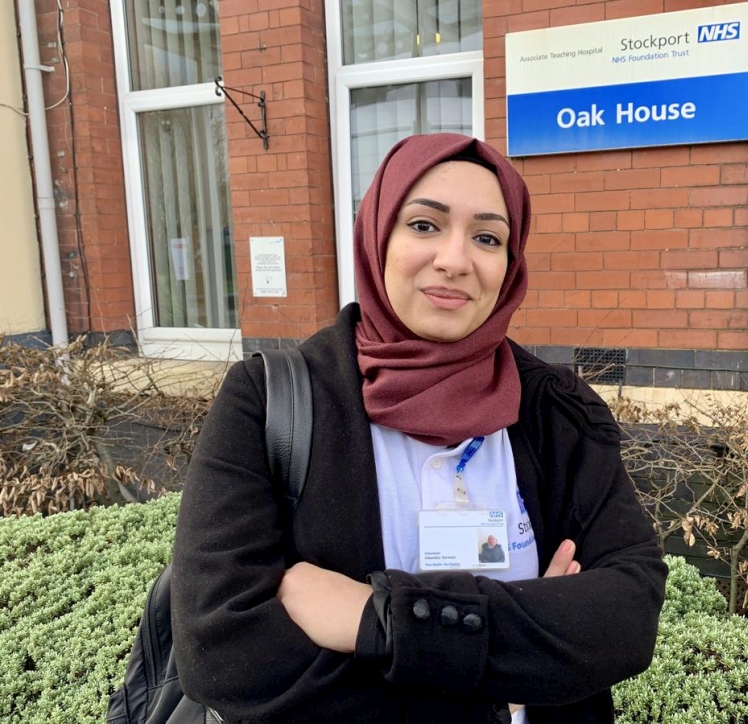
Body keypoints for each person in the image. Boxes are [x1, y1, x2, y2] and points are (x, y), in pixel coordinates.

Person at [171, 133, 667, 723]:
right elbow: (223, 649)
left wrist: (370, 617)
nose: (455, 260)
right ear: (378, 236)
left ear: (510, 265)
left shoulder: (557, 412)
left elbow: (626, 614)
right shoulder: (269, 402)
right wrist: (510, 667)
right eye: (425, 225)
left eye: (487, 237)